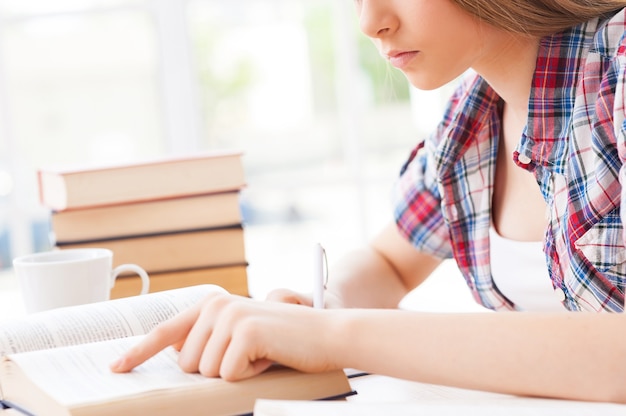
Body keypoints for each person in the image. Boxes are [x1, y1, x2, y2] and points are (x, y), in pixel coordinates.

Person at [110, 0, 626, 404]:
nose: (369, 22)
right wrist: (326, 304)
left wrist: (334, 335)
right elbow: (388, 263)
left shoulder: (618, 70)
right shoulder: (471, 123)